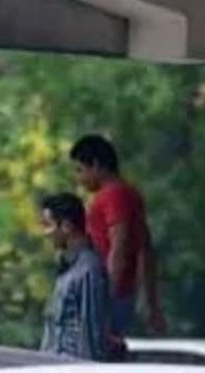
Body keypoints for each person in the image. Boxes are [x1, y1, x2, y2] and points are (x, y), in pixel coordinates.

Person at [70, 134, 166, 337]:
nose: (78, 178)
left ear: (96, 165)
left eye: (80, 170)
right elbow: (145, 251)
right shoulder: (130, 194)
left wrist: (106, 297)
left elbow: (119, 246)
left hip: (109, 293)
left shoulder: (113, 195)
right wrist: (152, 305)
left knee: (94, 351)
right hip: (120, 294)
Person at [39, 193, 112, 361]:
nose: (45, 233)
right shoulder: (66, 269)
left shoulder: (88, 270)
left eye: (48, 225)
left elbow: (91, 335)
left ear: (66, 226)